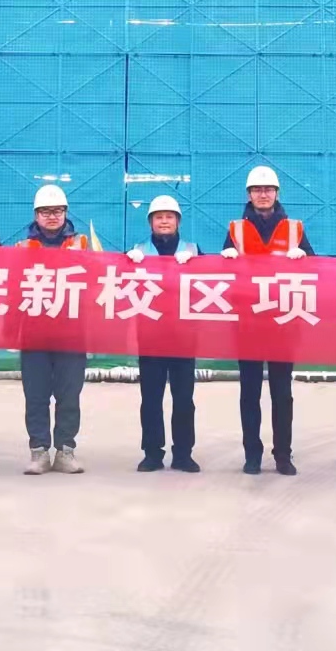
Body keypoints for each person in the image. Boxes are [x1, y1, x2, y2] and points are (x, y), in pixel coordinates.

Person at [221, 164, 312, 475]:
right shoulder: (235, 230)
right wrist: (226, 259)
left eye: (268, 189)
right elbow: (224, 277)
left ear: (276, 193)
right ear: (249, 195)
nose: (263, 194)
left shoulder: (294, 229)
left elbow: (314, 272)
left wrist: (304, 258)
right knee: (249, 393)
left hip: (283, 321)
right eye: (257, 190)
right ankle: (252, 455)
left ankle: (283, 455)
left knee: (282, 393)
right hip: (247, 323)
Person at [15, 184, 92, 475]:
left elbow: (99, 279)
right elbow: (12, 288)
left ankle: (65, 450)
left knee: (69, 395)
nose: (51, 216)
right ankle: (38, 452)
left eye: (57, 211)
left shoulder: (82, 244)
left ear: (65, 213)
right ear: (36, 215)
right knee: (35, 395)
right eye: (45, 211)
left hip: (72, 333)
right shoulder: (21, 248)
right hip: (34, 333)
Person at [126, 195, 200, 472]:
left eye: (169, 217)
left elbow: (209, 285)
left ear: (178, 221)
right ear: (151, 222)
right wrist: (129, 264)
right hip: (150, 335)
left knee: (184, 399)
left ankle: (183, 453)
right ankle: (152, 453)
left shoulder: (193, 250)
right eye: (159, 217)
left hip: (184, 336)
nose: (164, 221)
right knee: (151, 398)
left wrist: (197, 263)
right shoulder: (138, 251)